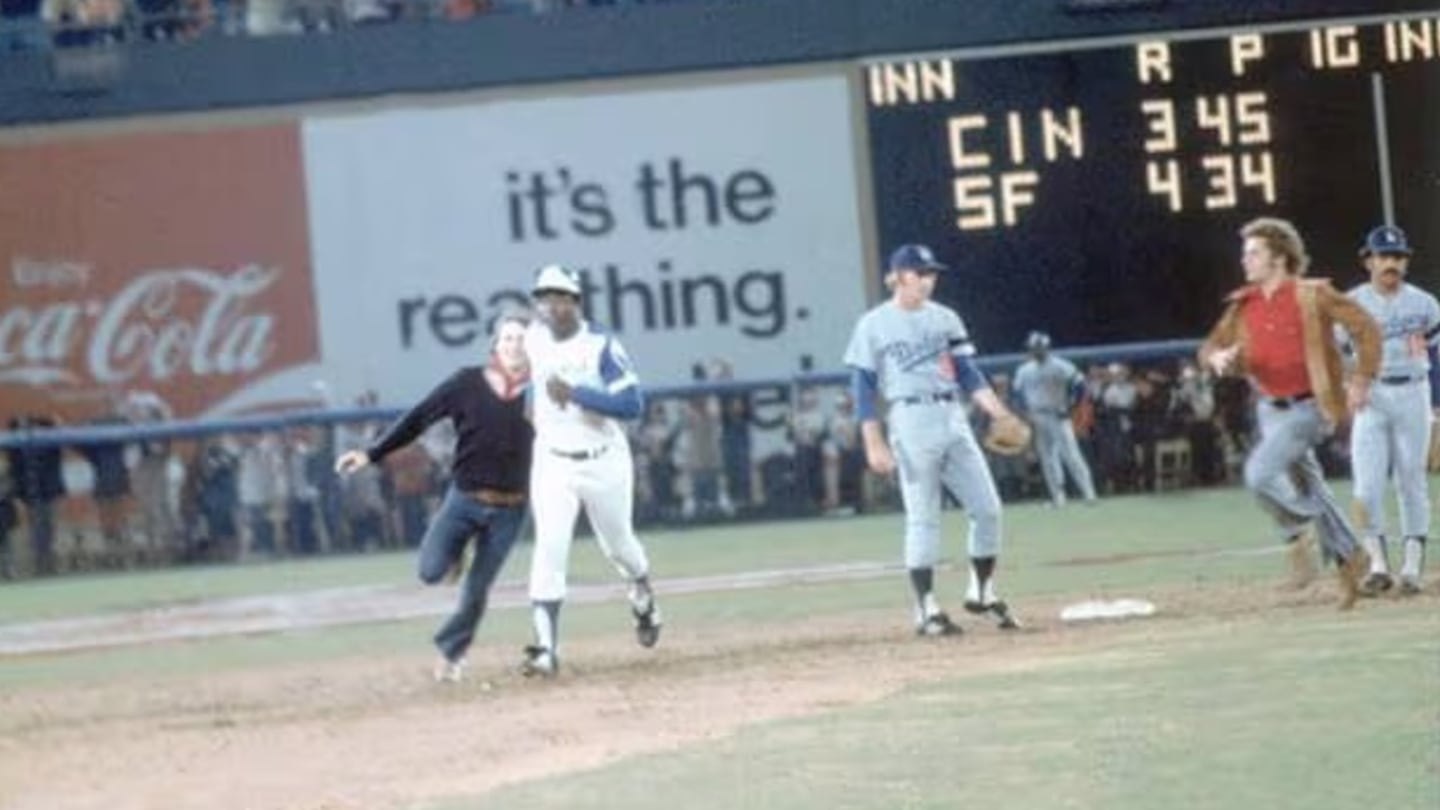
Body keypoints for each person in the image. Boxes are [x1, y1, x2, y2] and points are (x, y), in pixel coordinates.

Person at [335, 313, 533, 683]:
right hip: (465, 499)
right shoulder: (466, 383)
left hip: (510, 508)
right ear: (495, 344)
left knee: (476, 591)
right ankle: (455, 551)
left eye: (521, 339)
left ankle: (450, 653)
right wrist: (371, 453)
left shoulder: (542, 390)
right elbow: (419, 417)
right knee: (429, 572)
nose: (514, 345)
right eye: (507, 338)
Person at [843, 244, 1027, 636]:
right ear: (900, 276)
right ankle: (926, 608)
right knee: (923, 517)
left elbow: (967, 373)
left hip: (952, 414)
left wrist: (999, 412)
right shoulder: (874, 324)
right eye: (921, 273)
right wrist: (873, 442)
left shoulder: (945, 318)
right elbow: (862, 388)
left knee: (988, 508)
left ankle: (982, 590)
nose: (929, 280)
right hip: (909, 418)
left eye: (932, 273)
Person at [1198, 217, 1381, 609]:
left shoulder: (1312, 294)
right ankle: (1351, 555)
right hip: (1270, 409)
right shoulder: (1243, 304)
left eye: (1254, 253)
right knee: (1311, 488)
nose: (1246, 261)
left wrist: (1363, 378)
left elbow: (1365, 327)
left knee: (1259, 474)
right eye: (1245, 253)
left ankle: (1299, 531)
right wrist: (1219, 359)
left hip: (1310, 407)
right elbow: (1211, 347)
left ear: (1279, 258)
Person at [522, 263, 661, 678]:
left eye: (561, 297)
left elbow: (633, 404)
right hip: (553, 461)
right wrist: (533, 401)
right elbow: (534, 378)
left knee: (620, 547)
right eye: (545, 297)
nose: (553, 305)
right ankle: (545, 649)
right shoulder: (532, 339)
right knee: (550, 547)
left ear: (576, 302)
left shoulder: (599, 345)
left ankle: (642, 592)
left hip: (603, 460)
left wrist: (578, 395)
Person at [1344, 225, 1439, 596]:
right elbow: (1336, 350)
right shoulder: (1352, 304)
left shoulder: (1425, 303)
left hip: (1415, 392)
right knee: (1366, 488)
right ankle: (1379, 566)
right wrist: (1350, 383)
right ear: (1368, 260)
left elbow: (1435, 354)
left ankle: (1412, 568)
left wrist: (1439, 407)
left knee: (1411, 480)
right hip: (1373, 396)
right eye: (1383, 256)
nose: (1391, 263)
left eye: (1397, 257)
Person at [1012, 331, 1098, 507]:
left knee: (1071, 455)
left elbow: (1080, 385)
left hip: (1057, 415)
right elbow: (1018, 393)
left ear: (1047, 348)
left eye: (1039, 347)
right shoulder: (1024, 369)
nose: (1036, 350)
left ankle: (1089, 494)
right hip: (1037, 415)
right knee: (1048, 458)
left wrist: (1071, 405)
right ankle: (1058, 497)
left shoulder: (1060, 365)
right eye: (1034, 347)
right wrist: (1024, 413)